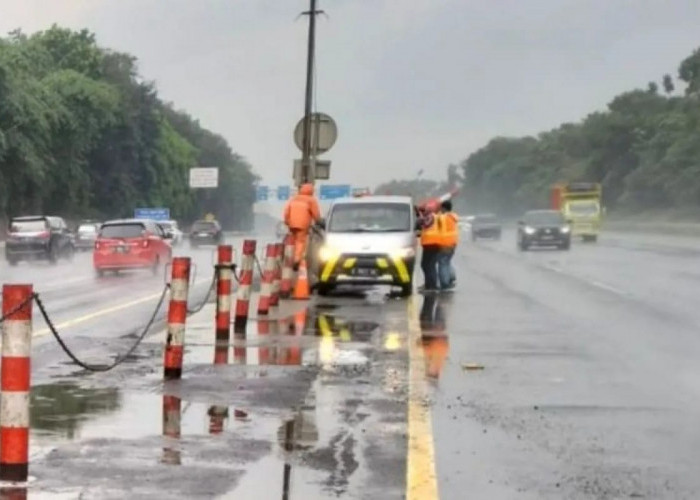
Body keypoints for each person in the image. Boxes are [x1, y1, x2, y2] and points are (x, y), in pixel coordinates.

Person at [284, 183, 321, 269]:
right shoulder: (311, 200)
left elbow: (286, 211)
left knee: (293, 242)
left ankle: (289, 259)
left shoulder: (294, 198)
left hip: (292, 223)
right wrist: (318, 222)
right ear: (311, 191)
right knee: (300, 242)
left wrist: (287, 221)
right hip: (303, 224)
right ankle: (296, 260)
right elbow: (316, 214)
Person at [418, 206, 442, 292]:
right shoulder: (432, 216)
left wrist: (420, 216)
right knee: (426, 264)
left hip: (432, 243)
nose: (424, 211)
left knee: (428, 265)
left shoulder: (431, 216)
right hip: (429, 243)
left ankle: (431, 286)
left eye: (424, 210)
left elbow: (425, 224)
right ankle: (429, 284)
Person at [437, 200, 458, 289]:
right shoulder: (453, 217)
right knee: (447, 261)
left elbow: (436, 222)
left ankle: (445, 283)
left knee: (442, 263)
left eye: (441, 208)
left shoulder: (442, 218)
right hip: (453, 243)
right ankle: (452, 277)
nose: (440, 210)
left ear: (444, 208)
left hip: (444, 243)